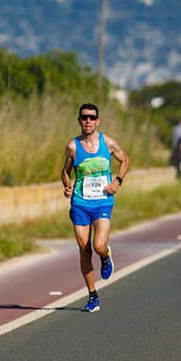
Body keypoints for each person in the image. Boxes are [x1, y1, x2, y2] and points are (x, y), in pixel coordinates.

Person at [62, 103, 130, 313]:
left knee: (98, 245)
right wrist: (67, 185)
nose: (88, 121)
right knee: (84, 248)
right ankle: (92, 296)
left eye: (92, 117)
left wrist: (117, 181)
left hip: (102, 200)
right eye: (84, 117)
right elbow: (65, 172)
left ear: (98, 120)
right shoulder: (73, 147)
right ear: (79, 120)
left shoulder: (107, 143)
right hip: (81, 202)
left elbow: (125, 160)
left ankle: (105, 255)